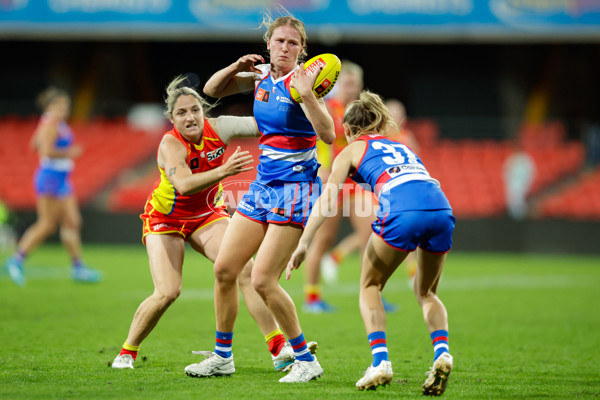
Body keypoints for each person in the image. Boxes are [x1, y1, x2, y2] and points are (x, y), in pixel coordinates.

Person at [111, 75, 313, 371]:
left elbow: (266, 125)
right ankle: (127, 352)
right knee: (168, 291)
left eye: (195, 109)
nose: (190, 117)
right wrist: (225, 172)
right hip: (166, 219)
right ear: (172, 119)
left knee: (244, 269)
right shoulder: (171, 145)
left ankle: (279, 347)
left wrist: (300, 102)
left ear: (203, 110)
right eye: (181, 113)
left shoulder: (219, 127)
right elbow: (183, 185)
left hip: (206, 214)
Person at [183, 12, 335, 383]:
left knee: (265, 280)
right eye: (279, 41)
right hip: (263, 187)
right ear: (268, 44)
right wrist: (236, 66)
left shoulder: (305, 85)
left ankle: (304, 359)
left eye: (293, 43)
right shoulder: (262, 76)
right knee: (225, 270)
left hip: (295, 190)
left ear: (302, 50)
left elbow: (329, 134)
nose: (285, 48)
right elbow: (212, 92)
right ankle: (222, 357)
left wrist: (306, 94)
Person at [287, 91, 454, 395]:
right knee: (427, 291)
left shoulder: (350, 150)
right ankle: (442, 352)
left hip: (403, 210)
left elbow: (327, 199)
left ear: (347, 131)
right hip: (440, 207)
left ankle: (381, 362)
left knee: (369, 286)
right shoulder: (400, 145)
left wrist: (304, 241)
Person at [303, 61, 396, 314]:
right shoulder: (326, 108)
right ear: (336, 84)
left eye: (355, 83)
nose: (351, 88)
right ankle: (312, 298)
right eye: (347, 83)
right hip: (332, 178)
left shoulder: (362, 112)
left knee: (372, 236)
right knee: (324, 239)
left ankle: (373, 293)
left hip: (358, 181)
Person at [4, 87, 102, 286]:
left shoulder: (55, 123)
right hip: (50, 178)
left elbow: (34, 144)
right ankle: (16, 260)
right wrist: (70, 152)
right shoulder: (50, 124)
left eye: (65, 104)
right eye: (59, 105)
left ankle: (78, 267)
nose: (64, 108)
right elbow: (47, 151)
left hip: (61, 179)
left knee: (73, 221)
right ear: (49, 106)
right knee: (47, 224)